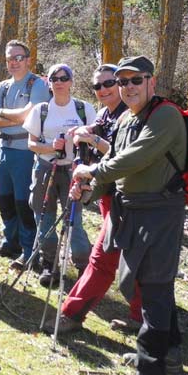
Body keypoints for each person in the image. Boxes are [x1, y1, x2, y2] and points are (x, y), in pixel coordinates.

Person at [72, 56, 186, 375]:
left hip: (160, 212)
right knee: (144, 283)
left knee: (154, 287)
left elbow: (136, 157)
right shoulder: (125, 119)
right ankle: (170, 350)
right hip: (130, 210)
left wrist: (92, 172)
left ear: (152, 81)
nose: (128, 87)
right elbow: (114, 168)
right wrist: (88, 191)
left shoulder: (166, 115)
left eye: (136, 80)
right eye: (122, 82)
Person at [53, 64, 142, 334]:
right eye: (97, 86)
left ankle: (71, 314)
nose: (103, 90)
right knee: (132, 258)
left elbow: (122, 156)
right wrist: (83, 132)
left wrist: (91, 139)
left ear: (121, 84)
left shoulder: (132, 114)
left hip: (128, 198)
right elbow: (99, 131)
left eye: (108, 83)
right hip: (109, 195)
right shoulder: (106, 113)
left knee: (103, 259)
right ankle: (141, 317)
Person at [22, 63, 95, 286]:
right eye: (55, 79)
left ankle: (84, 267)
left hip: (75, 170)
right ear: (49, 83)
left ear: (71, 81)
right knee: (44, 216)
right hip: (45, 168)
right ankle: (49, 264)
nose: (59, 83)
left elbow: (95, 139)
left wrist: (81, 138)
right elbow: (31, 143)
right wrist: (51, 147)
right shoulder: (41, 110)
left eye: (64, 78)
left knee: (75, 220)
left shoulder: (84, 109)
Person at [0, 40, 50, 262]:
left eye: (18, 58)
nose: (14, 62)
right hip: (4, 149)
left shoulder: (37, 85)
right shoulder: (3, 86)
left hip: (26, 151)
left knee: (24, 202)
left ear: (28, 60)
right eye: (10, 58)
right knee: (5, 200)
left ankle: (29, 250)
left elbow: (28, 115)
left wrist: (3, 113)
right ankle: (9, 243)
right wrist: (16, 117)